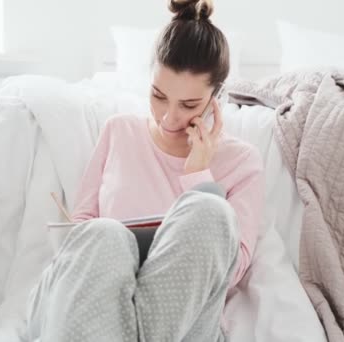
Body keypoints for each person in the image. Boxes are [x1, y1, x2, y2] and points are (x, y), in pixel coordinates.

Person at [23, 0, 265, 340]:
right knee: (102, 234)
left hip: (181, 321)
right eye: (158, 95)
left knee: (210, 210)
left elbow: (232, 270)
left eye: (189, 105)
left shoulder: (242, 162)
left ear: (217, 97)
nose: (169, 117)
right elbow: (79, 234)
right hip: (96, 303)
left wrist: (197, 177)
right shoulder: (118, 131)